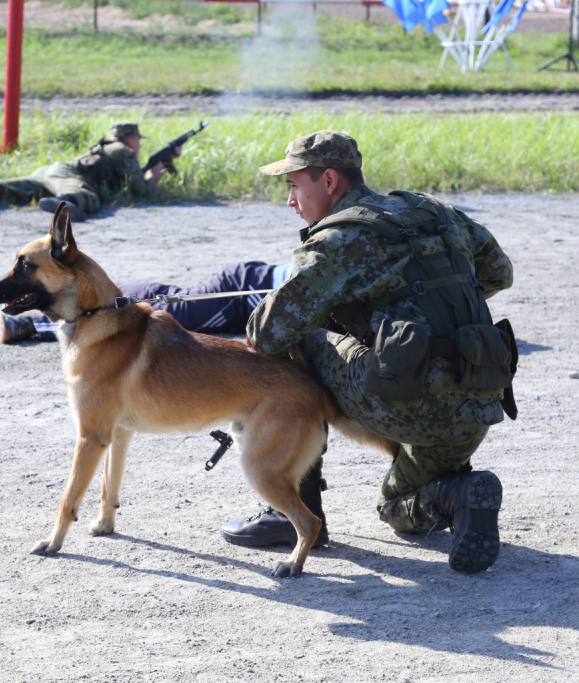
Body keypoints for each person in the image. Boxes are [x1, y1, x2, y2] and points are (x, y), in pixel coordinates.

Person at [219, 131, 515, 574]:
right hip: (477, 401)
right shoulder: (434, 210)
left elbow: (265, 333)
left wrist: (348, 319)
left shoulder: (340, 237)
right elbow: (498, 273)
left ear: (330, 181)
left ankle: (290, 511)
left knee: (296, 338)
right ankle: (461, 494)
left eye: (294, 185)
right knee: (396, 508)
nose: (291, 201)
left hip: (407, 402)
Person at [0, 121, 181, 221]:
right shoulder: (122, 151)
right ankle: (65, 206)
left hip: (50, 173)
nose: (138, 146)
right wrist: (155, 175)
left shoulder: (108, 149)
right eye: (138, 141)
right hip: (67, 179)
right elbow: (141, 191)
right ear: (131, 139)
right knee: (87, 197)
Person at [0, 261, 290, 343]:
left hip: (255, 291)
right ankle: (28, 324)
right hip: (247, 292)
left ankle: (103, 296)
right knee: (166, 315)